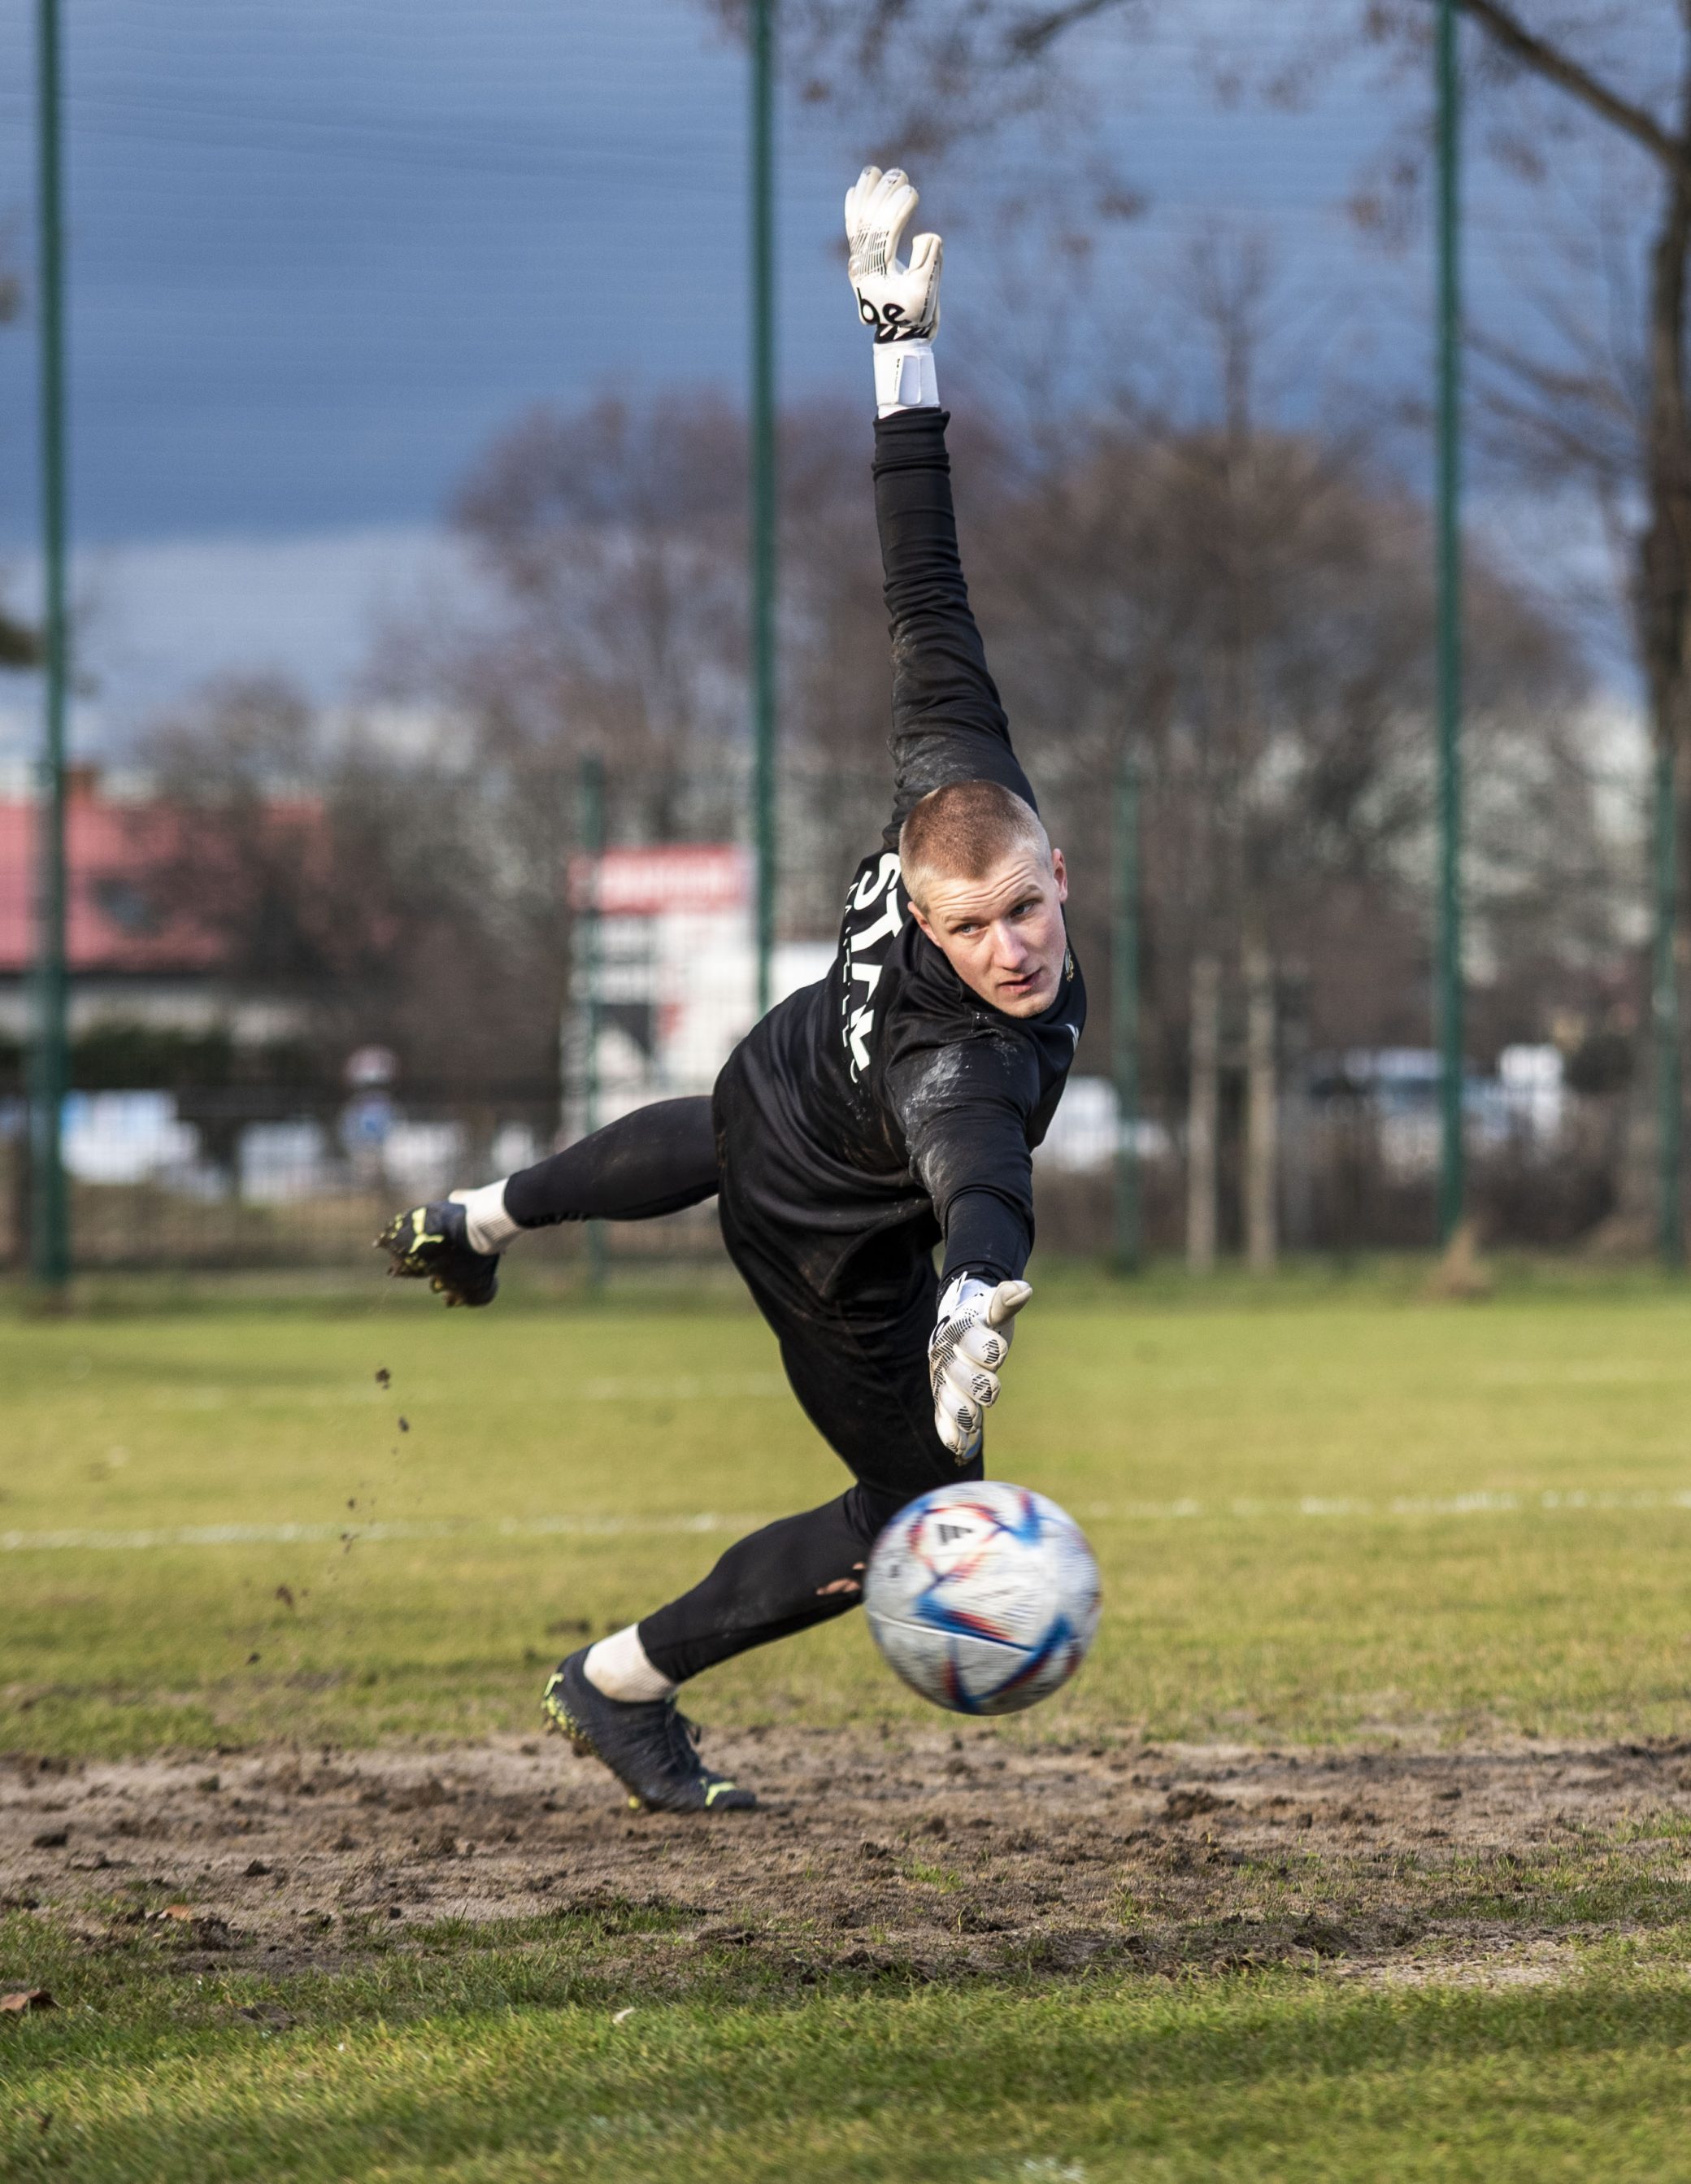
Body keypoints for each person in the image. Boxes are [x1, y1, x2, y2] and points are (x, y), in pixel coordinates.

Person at [377, 167, 1083, 1814]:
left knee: (719, 1121)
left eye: (1027, 906)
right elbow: (977, 1168)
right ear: (920, 899)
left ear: (1053, 864)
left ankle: (471, 1220)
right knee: (909, 1515)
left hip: (780, 1085)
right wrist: (971, 1294)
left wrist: (897, 347)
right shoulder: (957, 1065)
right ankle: (615, 1681)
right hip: (840, 1246)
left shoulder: (951, 770)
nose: (1011, 946)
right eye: (973, 924)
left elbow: (927, 581)